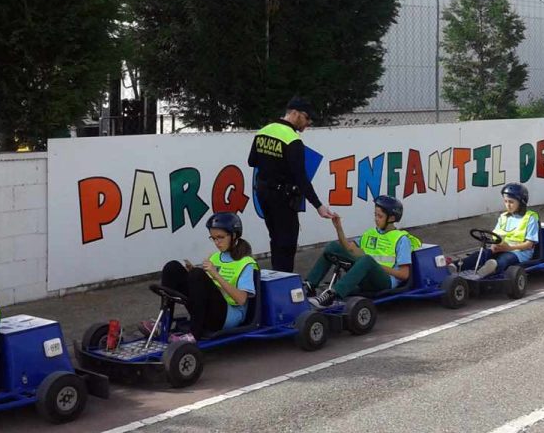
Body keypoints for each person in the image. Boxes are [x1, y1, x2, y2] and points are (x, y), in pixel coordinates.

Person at [248, 96, 336, 272]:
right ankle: (285, 284)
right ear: (295, 113)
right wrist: (318, 205)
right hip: (282, 197)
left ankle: (275, 278)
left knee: (275, 238)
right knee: (287, 243)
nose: (308, 123)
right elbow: (301, 177)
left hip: (263, 193)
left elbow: (252, 161)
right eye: (307, 117)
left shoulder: (264, 131)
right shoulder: (292, 140)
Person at [141, 212, 258, 342]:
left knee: (197, 275)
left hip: (227, 317)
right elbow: (205, 286)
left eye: (220, 237)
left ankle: (194, 334)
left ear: (234, 235)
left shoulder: (246, 263)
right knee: (172, 267)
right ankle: (164, 326)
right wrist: (192, 273)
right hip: (208, 309)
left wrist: (215, 275)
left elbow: (242, 300)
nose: (216, 242)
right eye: (213, 238)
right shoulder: (215, 257)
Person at [305, 195, 416, 309]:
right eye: (375, 215)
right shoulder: (371, 233)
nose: (376, 219)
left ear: (391, 218)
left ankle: (332, 294)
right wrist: (338, 227)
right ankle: (309, 286)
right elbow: (349, 249)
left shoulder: (401, 239)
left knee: (367, 260)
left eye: (380, 216)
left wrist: (375, 265)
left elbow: (404, 275)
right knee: (333, 247)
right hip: (366, 274)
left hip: (384, 281)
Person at [466, 183, 538, 278]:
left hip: (520, 252)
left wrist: (509, 248)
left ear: (521, 202)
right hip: (502, 248)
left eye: (511, 202)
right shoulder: (503, 217)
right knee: (481, 254)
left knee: (505, 259)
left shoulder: (530, 217)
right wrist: (495, 245)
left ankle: (487, 270)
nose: (508, 205)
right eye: (506, 201)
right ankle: (455, 267)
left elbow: (530, 244)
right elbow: (495, 235)